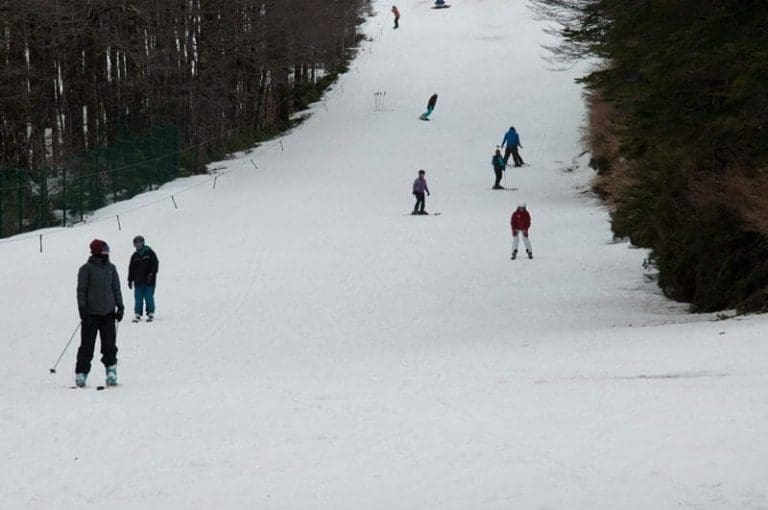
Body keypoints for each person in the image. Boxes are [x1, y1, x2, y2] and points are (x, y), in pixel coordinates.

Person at [75, 239, 124, 387]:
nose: (107, 253)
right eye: (104, 250)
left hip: (108, 313)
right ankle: (81, 373)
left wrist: (120, 306)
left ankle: (111, 370)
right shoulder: (86, 269)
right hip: (91, 314)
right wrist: (82, 308)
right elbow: (81, 290)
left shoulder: (111, 268)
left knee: (109, 345)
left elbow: (116, 288)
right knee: (87, 346)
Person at [128, 235, 159, 323]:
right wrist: (130, 280)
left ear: (143, 243)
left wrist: (151, 273)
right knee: (138, 298)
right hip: (138, 281)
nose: (138, 245)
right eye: (136, 243)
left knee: (149, 296)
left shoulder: (149, 253)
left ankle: (150, 312)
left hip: (149, 280)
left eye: (139, 242)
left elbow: (155, 264)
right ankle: (138, 313)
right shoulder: (134, 256)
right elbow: (131, 269)